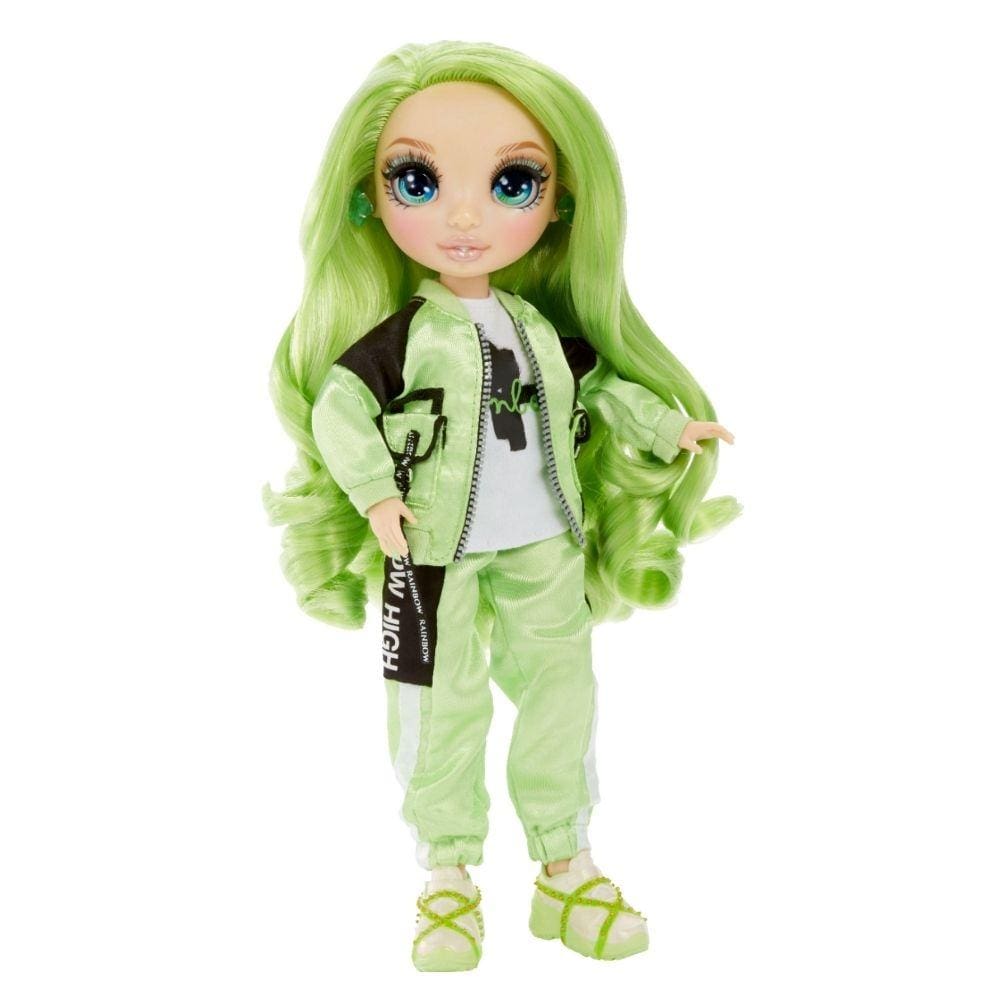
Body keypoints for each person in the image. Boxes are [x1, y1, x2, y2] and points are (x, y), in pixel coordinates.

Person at [264, 40, 739, 971]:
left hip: (544, 543)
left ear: (561, 205)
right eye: (417, 181)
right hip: (430, 553)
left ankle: (566, 863)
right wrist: (375, 494)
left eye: (513, 183)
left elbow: (600, 388)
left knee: (563, 693)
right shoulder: (404, 336)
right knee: (436, 705)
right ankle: (446, 877)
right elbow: (340, 408)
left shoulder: (536, 328)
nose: (464, 215)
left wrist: (667, 426)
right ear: (366, 198)